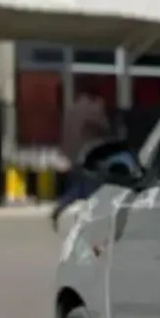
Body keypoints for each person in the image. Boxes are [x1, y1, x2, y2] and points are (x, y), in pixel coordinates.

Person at [50, 92, 115, 228]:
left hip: (71, 157)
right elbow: (105, 127)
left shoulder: (72, 108)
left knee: (77, 187)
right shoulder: (93, 109)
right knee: (89, 188)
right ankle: (65, 208)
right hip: (86, 156)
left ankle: (61, 207)